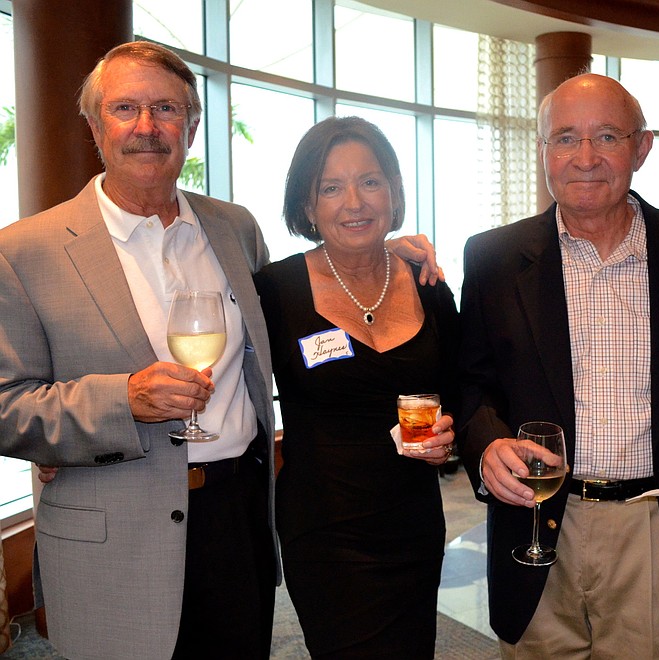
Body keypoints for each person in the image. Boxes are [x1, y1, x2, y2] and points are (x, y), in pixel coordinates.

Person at [0, 42, 439, 660]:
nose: (147, 126)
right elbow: (7, 407)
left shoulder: (234, 229)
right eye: (125, 108)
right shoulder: (25, 250)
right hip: (116, 536)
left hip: (238, 521)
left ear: (193, 125)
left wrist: (389, 254)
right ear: (96, 127)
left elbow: (301, 319)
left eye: (166, 108)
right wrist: (121, 401)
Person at [457, 72, 659, 658]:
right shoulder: (494, 258)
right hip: (535, 520)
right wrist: (487, 445)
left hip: (654, 524)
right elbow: (470, 384)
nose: (585, 158)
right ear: (543, 151)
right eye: (564, 138)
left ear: (642, 147)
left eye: (607, 137)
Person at [253, 116, 459, 658]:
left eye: (370, 181)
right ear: (306, 207)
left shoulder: (429, 283)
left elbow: (460, 386)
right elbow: (222, 377)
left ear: (393, 193)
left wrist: (447, 437)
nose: (354, 202)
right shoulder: (275, 291)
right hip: (326, 530)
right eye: (331, 187)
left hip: (413, 519)